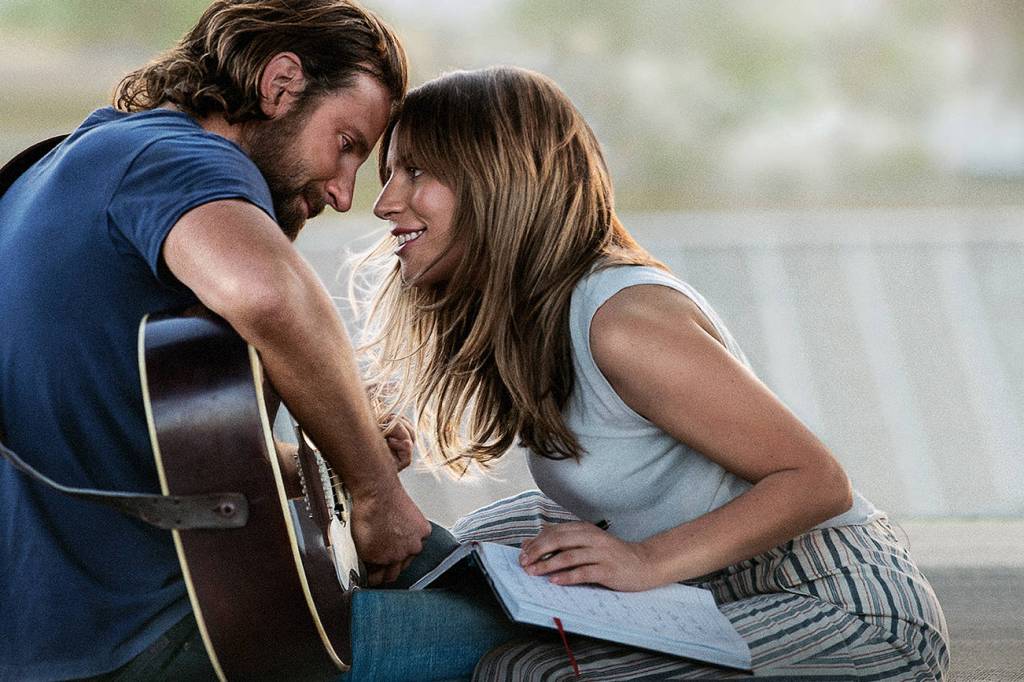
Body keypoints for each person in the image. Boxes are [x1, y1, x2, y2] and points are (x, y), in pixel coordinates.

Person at [357, 65, 950, 680]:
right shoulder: (532, 313)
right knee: (466, 550)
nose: (384, 203)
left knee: (527, 673)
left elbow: (818, 481)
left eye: (415, 172)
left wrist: (646, 561)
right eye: (390, 173)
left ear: (498, 180)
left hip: (834, 602)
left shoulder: (622, 321)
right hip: (706, 579)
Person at [0, 3, 522, 680]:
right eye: (346, 144)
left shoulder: (66, 164)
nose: (343, 193)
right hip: (151, 633)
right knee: (520, 636)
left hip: (52, 642)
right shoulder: (183, 158)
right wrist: (375, 491)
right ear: (280, 85)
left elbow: (135, 444)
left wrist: (325, 455)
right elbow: (271, 296)